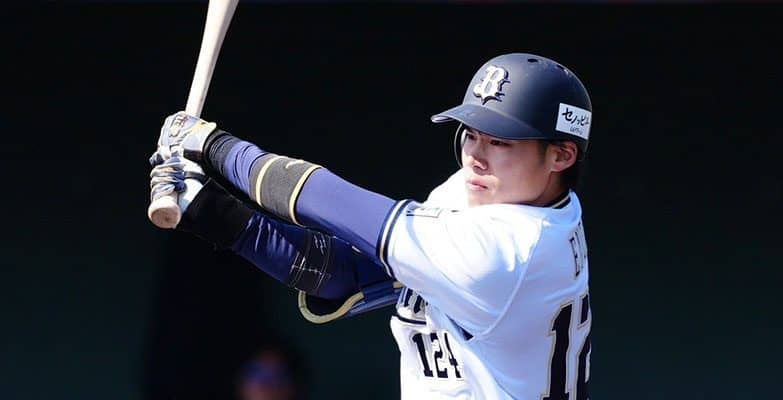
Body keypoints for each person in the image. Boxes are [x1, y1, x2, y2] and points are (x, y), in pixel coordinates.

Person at [149, 53, 593, 399]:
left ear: (562, 155)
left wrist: (214, 145)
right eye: (471, 135)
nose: (475, 156)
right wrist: (210, 211)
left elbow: (325, 200)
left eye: (500, 141)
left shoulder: (509, 252)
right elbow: (340, 271)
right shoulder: (492, 194)